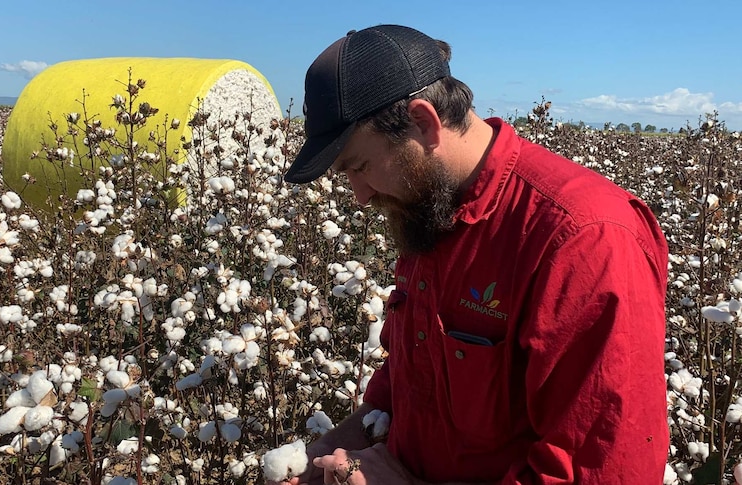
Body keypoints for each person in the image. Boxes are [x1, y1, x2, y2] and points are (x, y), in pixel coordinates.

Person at [279, 24, 669, 484]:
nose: (360, 195)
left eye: (360, 167)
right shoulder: (430, 206)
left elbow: (605, 472)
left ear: (424, 123)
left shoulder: (584, 240)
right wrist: (333, 449)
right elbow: (412, 377)